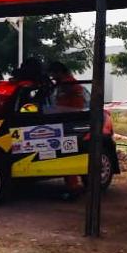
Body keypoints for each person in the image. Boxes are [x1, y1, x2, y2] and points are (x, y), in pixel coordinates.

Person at [47, 61, 86, 201]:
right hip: (66, 122)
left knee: (68, 155)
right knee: (67, 155)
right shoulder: (66, 83)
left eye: (53, 73)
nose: (52, 76)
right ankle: (73, 186)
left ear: (59, 72)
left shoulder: (68, 84)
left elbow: (65, 103)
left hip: (69, 124)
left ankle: (73, 188)